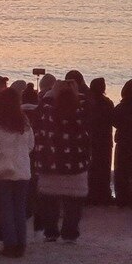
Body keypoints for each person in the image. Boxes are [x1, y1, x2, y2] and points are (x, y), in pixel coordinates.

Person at [33, 79, 90, 243]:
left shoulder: (47, 111)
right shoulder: (81, 112)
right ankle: (70, 232)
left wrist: (51, 93)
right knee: (73, 202)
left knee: (50, 201)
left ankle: (51, 232)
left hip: (51, 163)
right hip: (76, 164)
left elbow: (38, 114)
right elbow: (88, 105)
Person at [0, 87, 35, 257]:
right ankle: (21, 244)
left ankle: (10, 244)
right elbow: (31, 145)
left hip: (3, 170)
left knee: (6, 209)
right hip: (22, 169)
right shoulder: (24, 121)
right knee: (20, 209)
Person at [110, 79, 132, 209]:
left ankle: (121, 199)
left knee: (121, 172)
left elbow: (114, 122)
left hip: (123, 143)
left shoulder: (120, 107)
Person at [85, 77, 115, 205]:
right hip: (104, 139)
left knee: (92, 167)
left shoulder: (87, 103)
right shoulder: (107, 103)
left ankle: (91, 195)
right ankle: (103, 195)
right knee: (104, 167)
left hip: (91, 138)